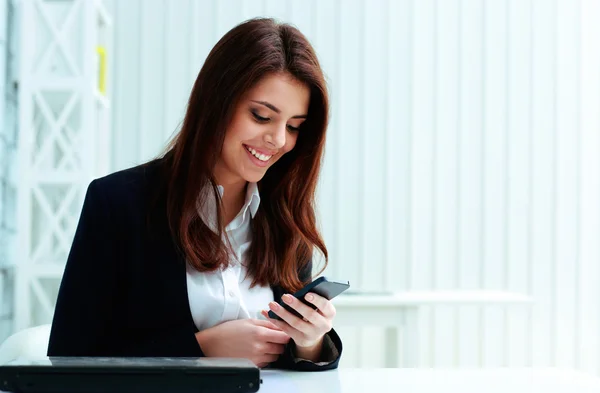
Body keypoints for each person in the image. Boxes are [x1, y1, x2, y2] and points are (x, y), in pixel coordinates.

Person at [47, 18, 342, 371]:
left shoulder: (284, 217)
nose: (279, 140)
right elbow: (69, 357)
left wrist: (309, 341)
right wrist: (199, 349)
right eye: (261, 116)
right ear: (216, 102)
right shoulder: (118, 204)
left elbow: (294, 363)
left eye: (294, 126)